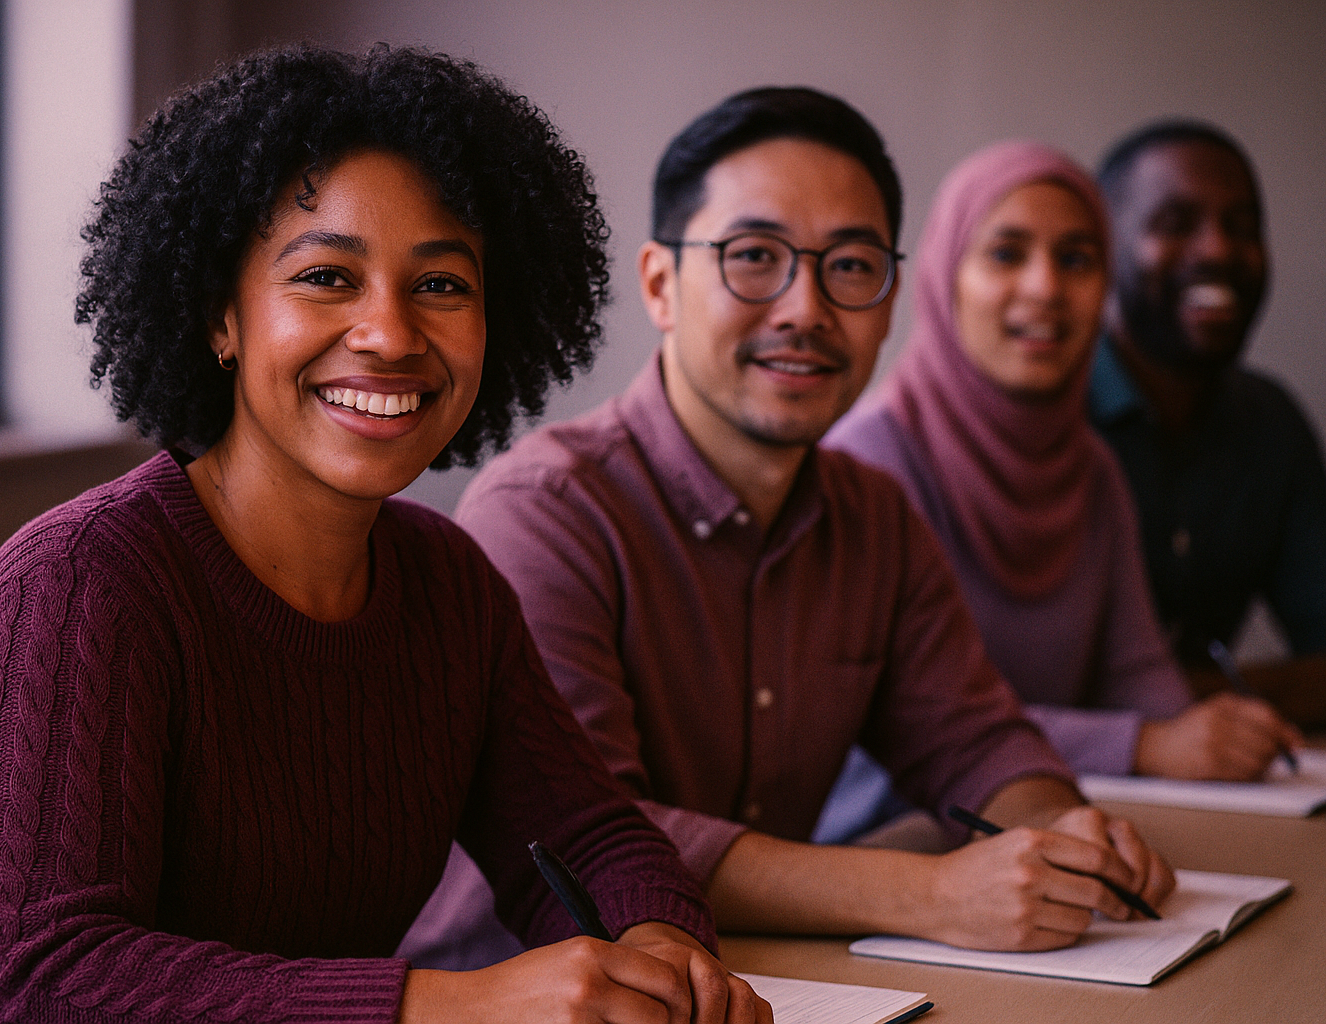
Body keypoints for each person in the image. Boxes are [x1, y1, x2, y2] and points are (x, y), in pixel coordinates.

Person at [0, 46, 768, 1024]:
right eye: (329, 276)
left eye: (441, 285)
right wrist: (439, 1005)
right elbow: (52, 985)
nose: (388, 332)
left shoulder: (448, 584)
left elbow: (592, 837)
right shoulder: (77, 583)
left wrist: (660, 953)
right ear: (222, 316)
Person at [400, 87, 1174, 970]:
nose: (806, 308)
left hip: (775, 978)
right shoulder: (547, 511)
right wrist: (931, 895)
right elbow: (595, 834)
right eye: (755, 256)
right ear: (660, 284)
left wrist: (1057, 832)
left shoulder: (875, 517)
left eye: (850, 266)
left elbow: (973, 741)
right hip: (521, 983)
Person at [824, 140, 1302, 784]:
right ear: (944, 278)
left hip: (1043, 817)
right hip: (890, 844)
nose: (1046, 288)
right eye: (1006, 254)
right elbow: (912, 726)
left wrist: (1217, 738)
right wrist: (1146, 746)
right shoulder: (868, 465)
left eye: (1076, 259)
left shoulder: (1091, 470)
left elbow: (1136, 673)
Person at [1089, 119, 1326, 731]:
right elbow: (1023, 697)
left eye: (1243, 227)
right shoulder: (1044, 421)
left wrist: (1193, 698)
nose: (1218, 250)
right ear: (1102, 249)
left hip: (1223, 786)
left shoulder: (1271, 423)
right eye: (1176, 224)